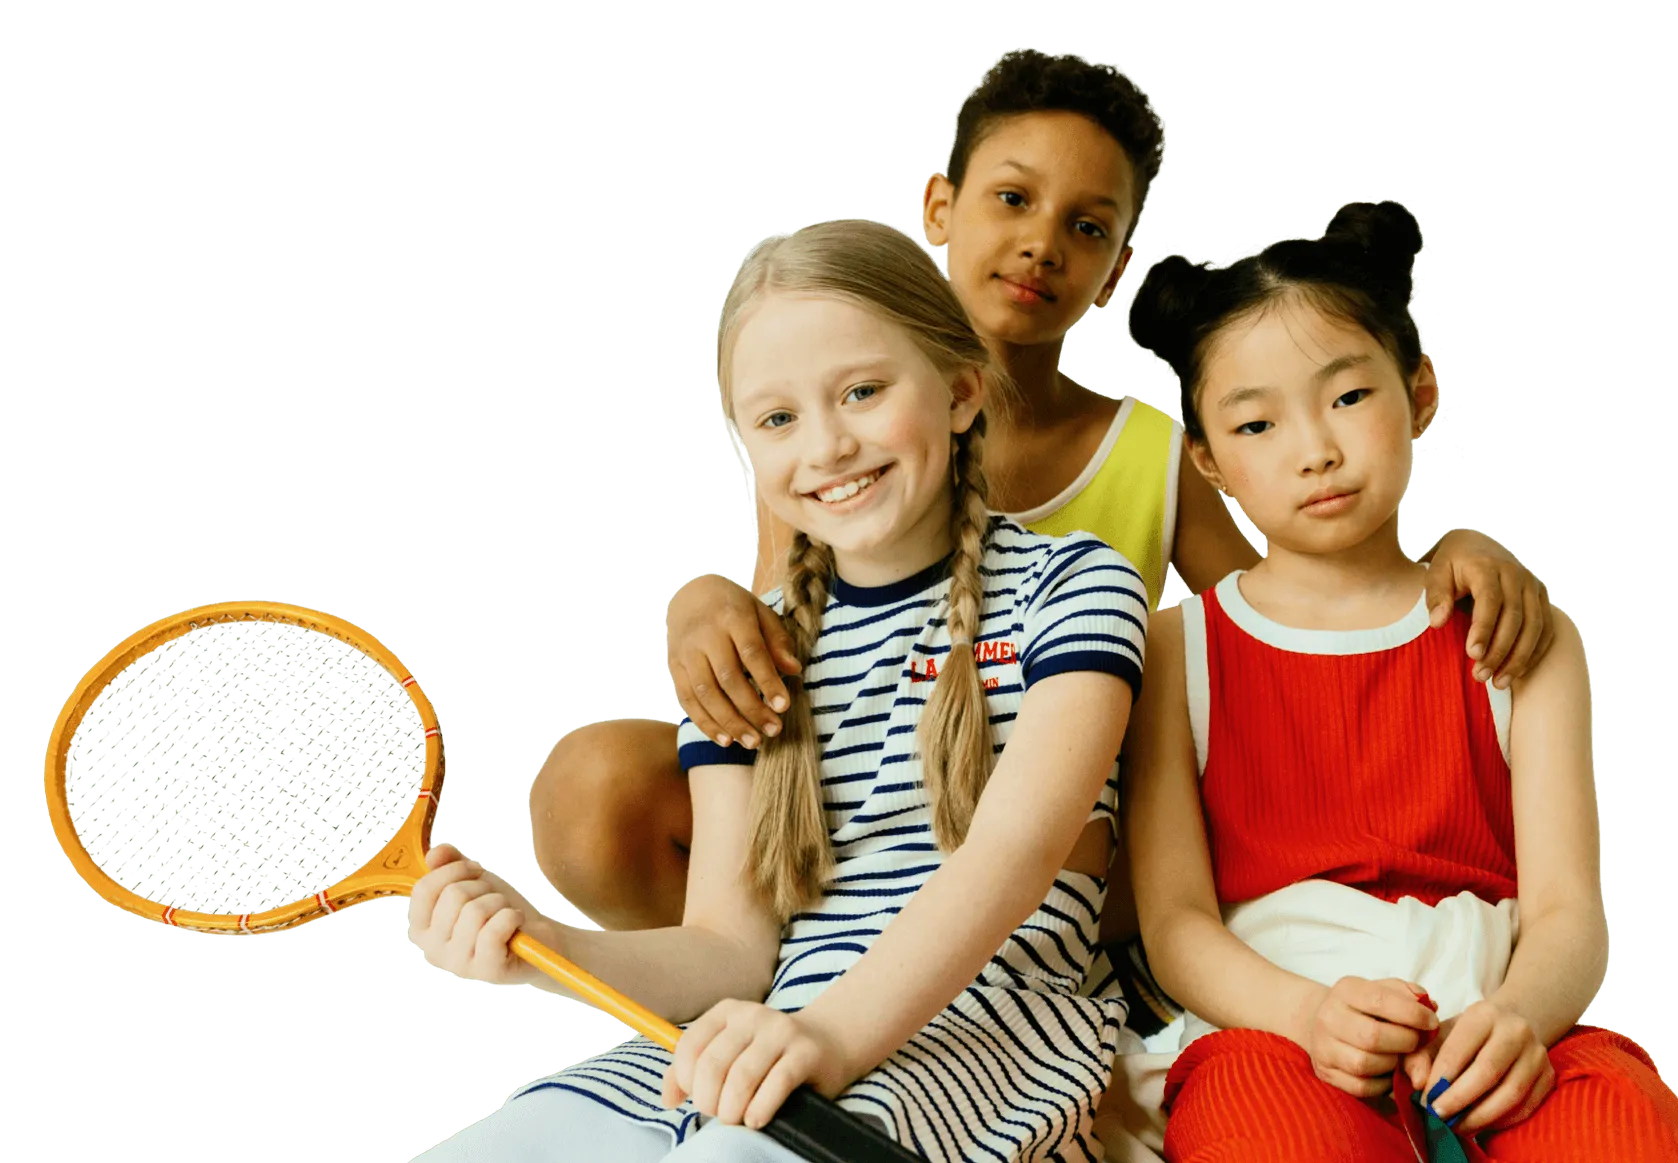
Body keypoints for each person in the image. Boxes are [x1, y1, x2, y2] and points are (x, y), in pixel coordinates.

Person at [530, 52, 1557, 1032]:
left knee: (1058, 819)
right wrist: (704, 595)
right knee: (596, 787)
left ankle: (1067, 1013)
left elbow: (1290, 633)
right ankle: (774, 991)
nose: (1040, 244)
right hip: (874, 805)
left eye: (1086, 226)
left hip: (1075, 845)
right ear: (940, 206)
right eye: (1012, 200)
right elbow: (795, 651)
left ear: (1114, 268)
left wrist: (1454, 548)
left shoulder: (1148, 452)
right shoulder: (834, 431)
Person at [408, 218, 1151, 1162]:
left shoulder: (1075, 587)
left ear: (962, 391)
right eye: (777, 419)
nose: (829, 445)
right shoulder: (757, 648)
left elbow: (1013, 853)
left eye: (864, 391)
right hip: (765, 1031)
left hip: (985, 1040)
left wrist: (833, 1036)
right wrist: (539, 948)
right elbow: (727, 948)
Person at [1120, 199, 1678, 1160]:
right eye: (1257, 423)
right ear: (1209, 460)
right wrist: (1307, 1014)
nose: (1314, 447)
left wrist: (1521, 1017)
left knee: (1627, 1134)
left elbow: (1567, 910)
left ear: (1421, 391)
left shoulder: (1521, 635)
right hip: (1279, 1031)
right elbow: (1178, 923)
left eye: (1348, 397)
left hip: (1504, 1019)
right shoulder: (1176, 652)